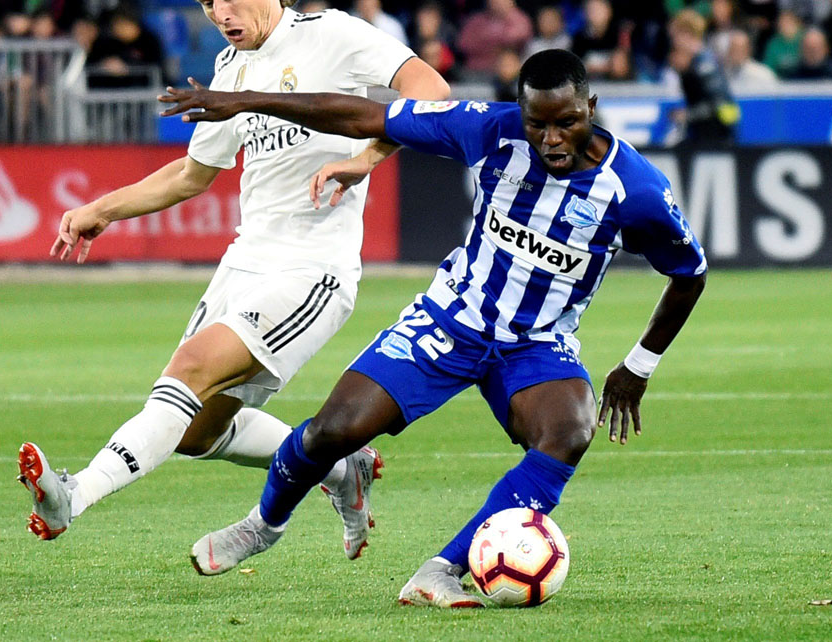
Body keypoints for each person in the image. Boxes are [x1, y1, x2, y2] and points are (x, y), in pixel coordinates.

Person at [159, 49, 708, 607]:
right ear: (518, 111)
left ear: (591, 107)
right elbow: (362, 115)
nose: (552, 140)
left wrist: (638, 366)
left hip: (537, 343)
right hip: (448, 320)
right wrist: (243, 102)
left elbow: (690, 273)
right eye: (536, 123)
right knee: (331, 433)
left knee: (567, 432)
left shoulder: (634, 189)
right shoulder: (490, 129)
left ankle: (443, 569)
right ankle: (263, 525)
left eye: (567, 122)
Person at [17, 0, 449, 561]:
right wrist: (101, 208)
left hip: (312, 272)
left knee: (187, 369)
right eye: (205, 2)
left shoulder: (331, 35)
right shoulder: (229, 71)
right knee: (193, 432)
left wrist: (366, 158)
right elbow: (192, 176)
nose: (220, 13)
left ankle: (73, 496)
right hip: (244, 263)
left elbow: (432, 90)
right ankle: (339, 468)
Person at [667, 9, 739, 146]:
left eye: (675, 36)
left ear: (687, 34)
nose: (673, 41)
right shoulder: (692, 63)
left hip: (716, 137)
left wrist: (687, 115)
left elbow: (717, 104)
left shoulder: (705, 64)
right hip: (702, 134)